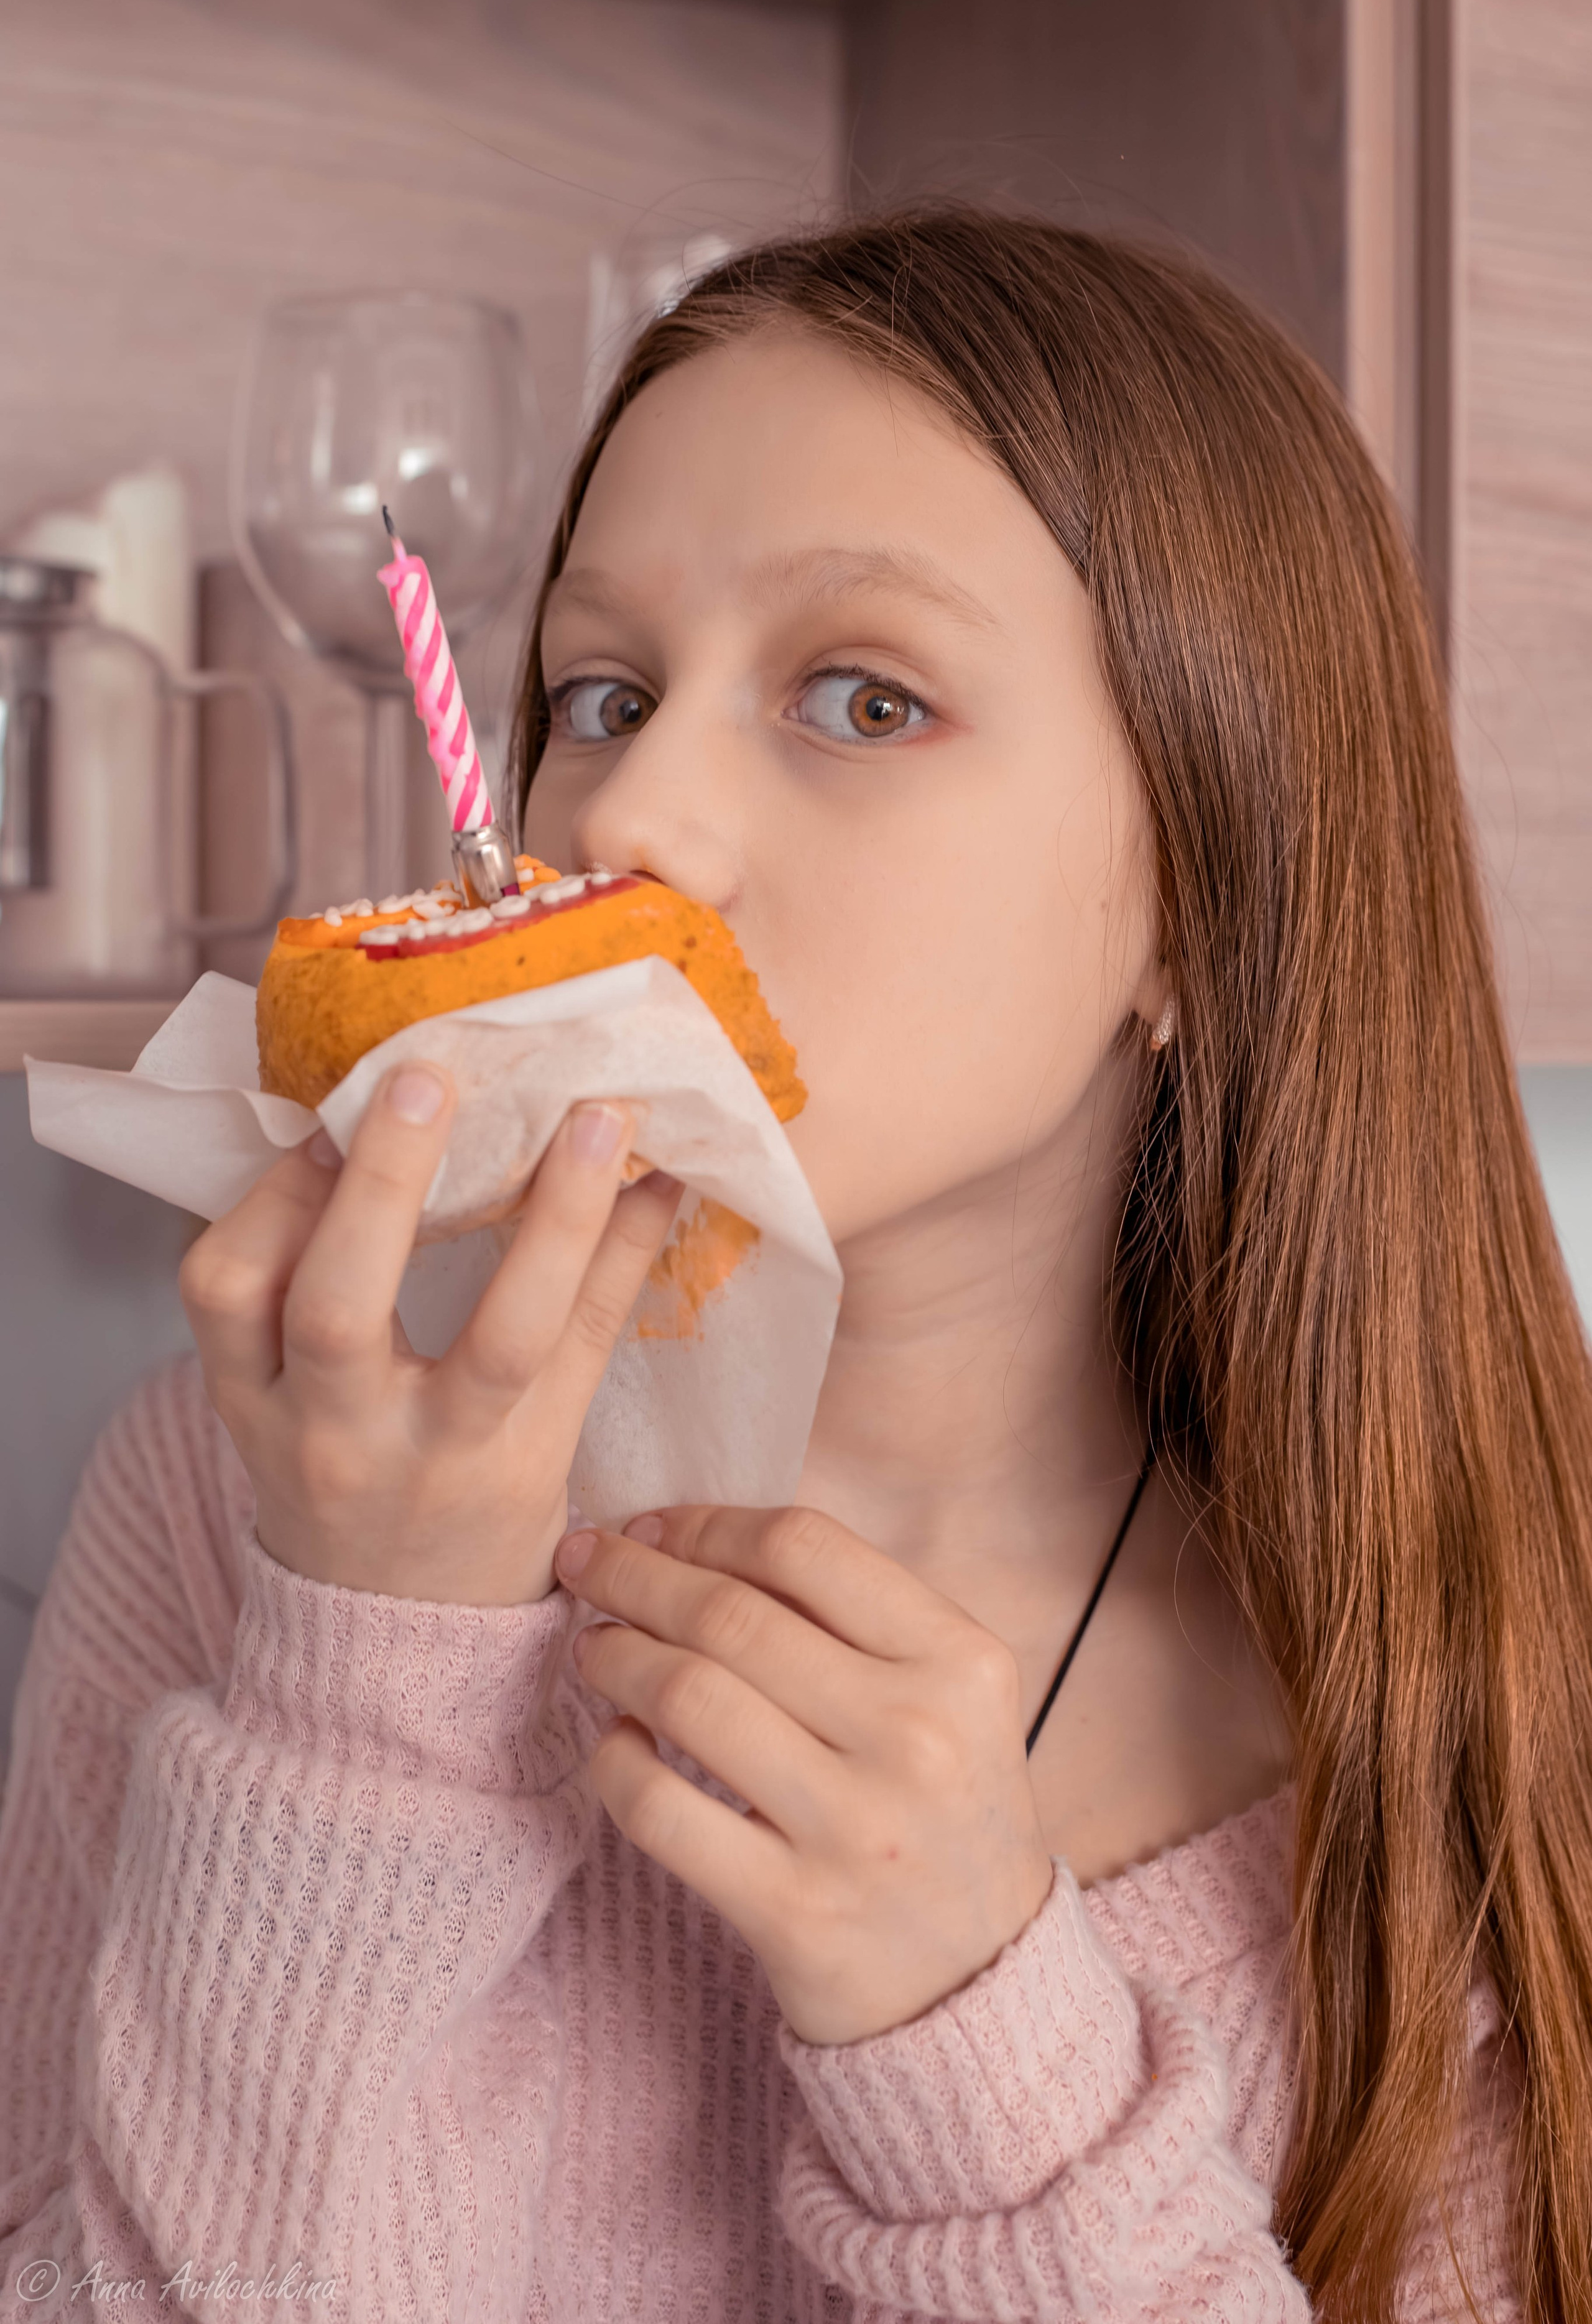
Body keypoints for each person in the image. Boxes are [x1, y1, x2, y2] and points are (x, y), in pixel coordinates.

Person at [1, 208, 1588, 2324]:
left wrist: (977, 2035)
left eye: (863, 695)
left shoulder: (1491, 1680)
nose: (637, 812)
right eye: (603, 688)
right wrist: (357, 1690)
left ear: (1204, 903)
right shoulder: (236, 1505)